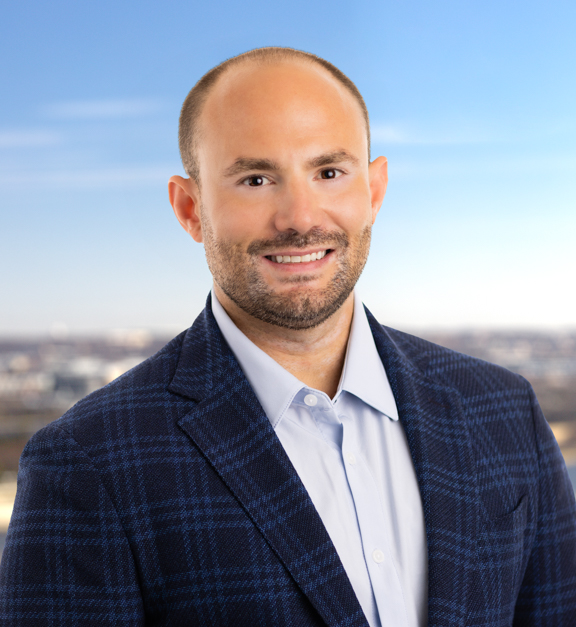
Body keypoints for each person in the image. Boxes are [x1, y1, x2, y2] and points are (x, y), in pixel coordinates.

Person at [1, 47, 575, 627]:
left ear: (373, 191)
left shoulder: (503, 410)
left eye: (329, 173)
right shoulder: (87, 464)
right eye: (255, 178)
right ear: (190, 207)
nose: (300, 217)